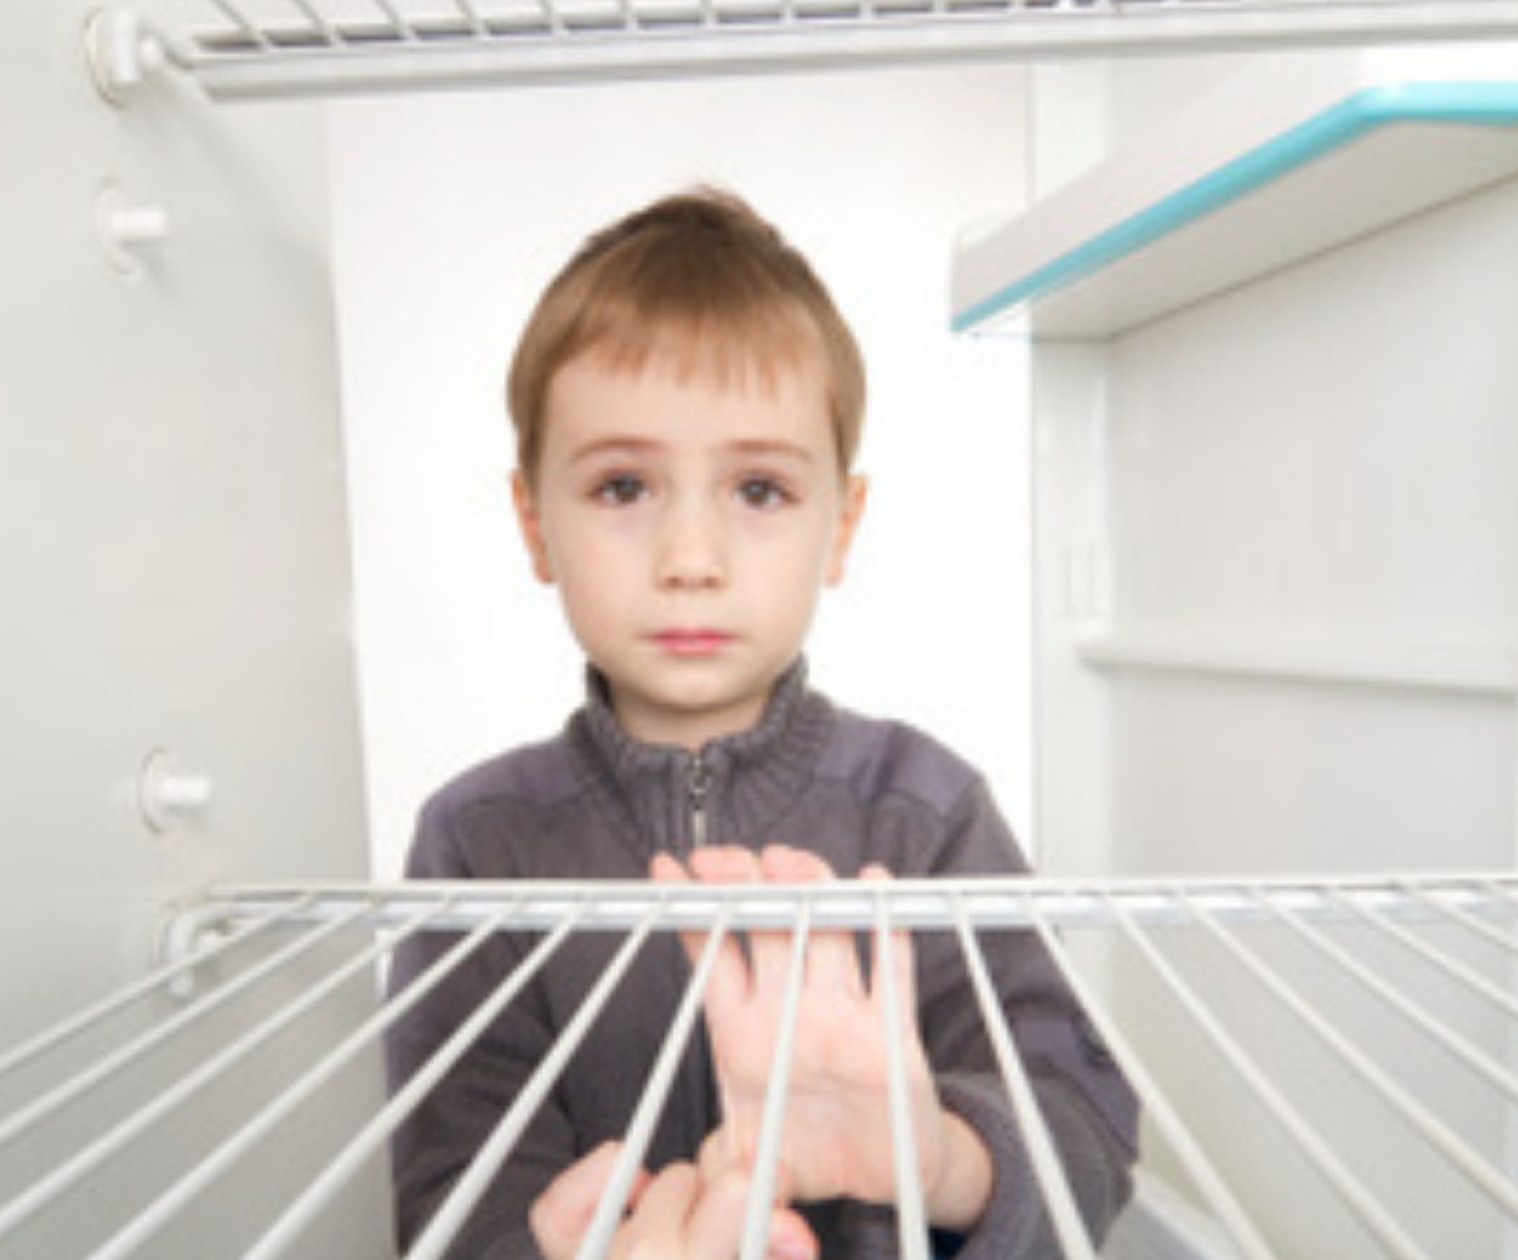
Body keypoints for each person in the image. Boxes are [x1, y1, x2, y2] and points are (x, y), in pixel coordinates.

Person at [385, 187, 1138, 1259]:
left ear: (842, 524)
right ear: (531, 522)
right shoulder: (476, 840)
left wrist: (939, 1160)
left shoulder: (924, 812)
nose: (689, 559)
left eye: (757, 489)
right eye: (621, 486)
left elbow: (1084, 1120)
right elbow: (449, 1182)